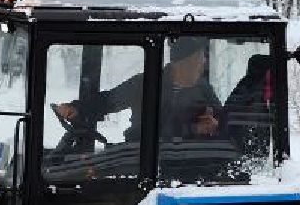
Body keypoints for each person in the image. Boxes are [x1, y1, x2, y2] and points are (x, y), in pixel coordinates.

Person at [51, 35, 222, 142]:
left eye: (203, 58)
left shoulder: (204, 90)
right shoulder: (146, 83)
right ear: (182, 62)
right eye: (199, 58)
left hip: (187, 166)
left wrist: (215, 126)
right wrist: (77, 108)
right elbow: (109, 101)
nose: (203, 63)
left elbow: (223, 123)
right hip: (142, 158)